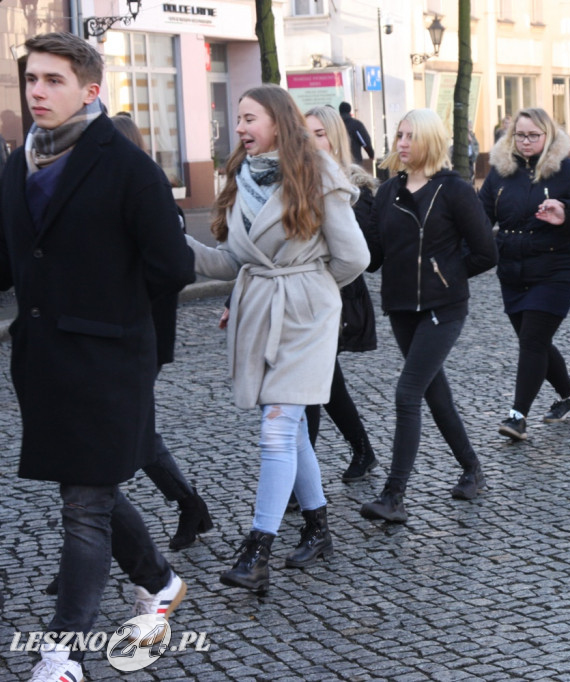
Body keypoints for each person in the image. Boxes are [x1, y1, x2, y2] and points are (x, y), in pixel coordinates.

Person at [0, 32, 195, 682]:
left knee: (82, 506)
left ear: (90, 89)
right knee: (89, 488)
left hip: (111, 361)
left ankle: (62, 658)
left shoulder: (125, 165)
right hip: (44, 361)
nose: (37, 91)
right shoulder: (17, 164)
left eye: (52, 80)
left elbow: (173, 264)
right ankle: (159, 581)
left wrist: (108, 309)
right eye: (31, 79)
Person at [187, 85, 369, 594]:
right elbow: (231, 261)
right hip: (260, 310)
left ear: (278, 122)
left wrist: (307, 288)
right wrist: (174, 243)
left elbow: (354, 258)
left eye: (249, 118)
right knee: (286, 428)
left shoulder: (317, 174)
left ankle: (257, 548)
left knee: (276, 427)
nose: (240, 127)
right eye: (238, 118)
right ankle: (318, 528)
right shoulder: (240, 178)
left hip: (306, 315)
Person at [360, 108, 497, 523]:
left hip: (444, 308)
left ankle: (394, 495)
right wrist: (353, 214)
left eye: (410, 136)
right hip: (401, 308)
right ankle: (473, 469)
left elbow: (486, 253)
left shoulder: (453, 190)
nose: (402, 144)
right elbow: (373, 259)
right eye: (399, 135)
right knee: (434, 393)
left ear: (430, 141)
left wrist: (447, 275)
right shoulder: (387, 192)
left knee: (408, 393)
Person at [110, 112, 214, 550]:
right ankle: (190, 506)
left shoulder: (152, 199)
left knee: (123, 435)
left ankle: (188, 506)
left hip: (142, 338)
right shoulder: (113, 197)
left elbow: (171, 272)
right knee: (125, 434)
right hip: (113, 338)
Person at [478, 107, 570, 441]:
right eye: (519, 135)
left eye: (533, 135)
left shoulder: (568, 171)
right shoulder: (500, 171)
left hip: (556, 269)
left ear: (548, 135)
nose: (525, 142)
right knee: (536, 340)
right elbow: (480, 216)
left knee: (532, 340)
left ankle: (517, 416)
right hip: (513, 271)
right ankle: (569, 397)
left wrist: (565, 215)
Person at [303, 105, 380, 482]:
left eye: (319, 134)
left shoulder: (353, 186)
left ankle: (301, 478)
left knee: (312, 386)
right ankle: (362, 451)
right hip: (306, 296)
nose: (311, 141)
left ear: (334, 138)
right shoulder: (298, 181)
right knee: (324, 383)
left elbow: (356, 251)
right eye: (305, 134)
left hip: (338, 295)